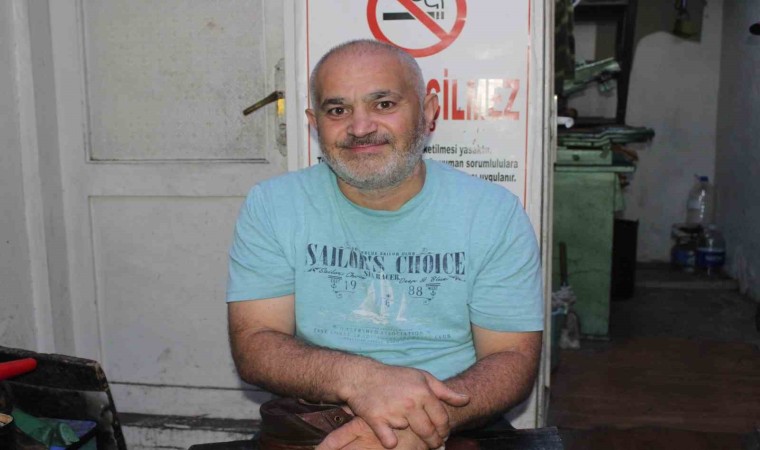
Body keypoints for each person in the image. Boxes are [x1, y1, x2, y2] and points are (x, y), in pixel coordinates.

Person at [226, 39, 544, 450]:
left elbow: (513, 357)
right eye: (337, 110)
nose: (360, 128)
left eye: (384, 104)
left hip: (458, 416)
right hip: (315, 418)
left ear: (428, 112)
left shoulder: (492, 212)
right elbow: (255, 343)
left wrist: (421, 423)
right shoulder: (273, 205)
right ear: (314, 123)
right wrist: (362, 380)